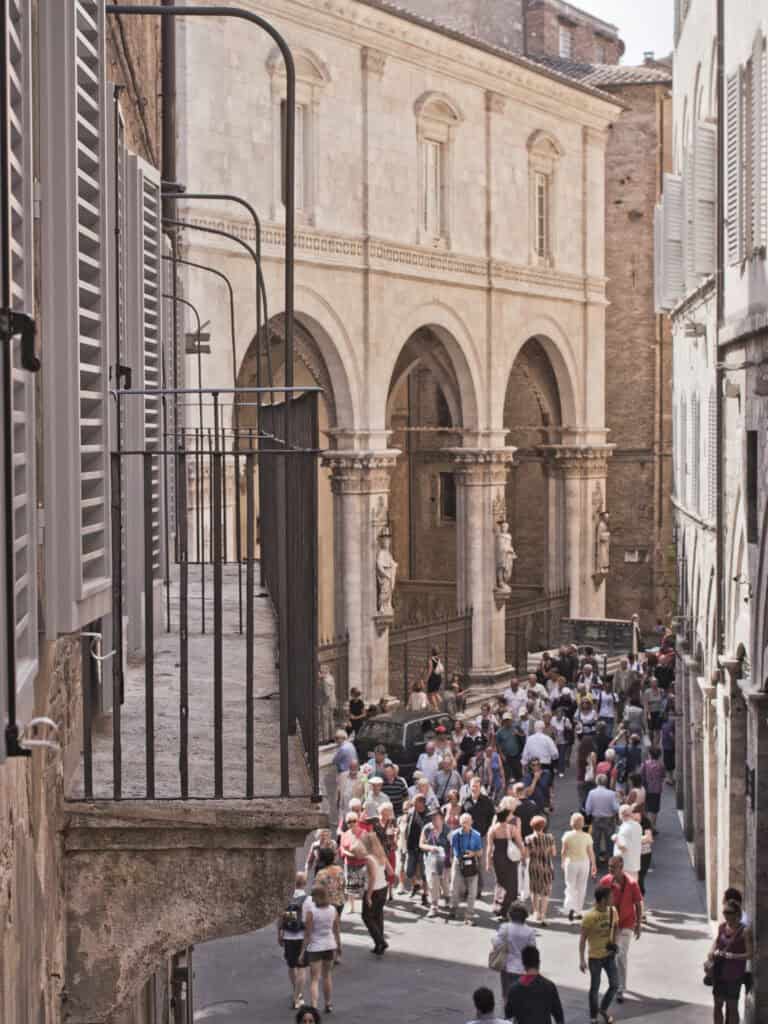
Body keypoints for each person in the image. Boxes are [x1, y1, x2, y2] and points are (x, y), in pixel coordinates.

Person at [599, 856, 642, 1004]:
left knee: (621, 954)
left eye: (613, 867)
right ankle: (616, 982)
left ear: (621, 867)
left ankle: (620, 988)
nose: (610, 869)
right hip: (611, 923)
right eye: (609, 866)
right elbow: (599, 902)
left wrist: (639, 924)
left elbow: (638, 903)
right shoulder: (605, 881)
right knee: (613, 954)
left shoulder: (632, 883)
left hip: (627, 923)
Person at [706, 900, 753, 1024]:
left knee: (732, 1007)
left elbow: (750, 954)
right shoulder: (722, 926)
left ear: (737, 913)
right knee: (717, 1005)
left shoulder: (744, 931)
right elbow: (716, 942)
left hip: (734, 975)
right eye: (724, 912)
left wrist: (731, 955)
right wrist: (711, 952)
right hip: (719, 972)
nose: (725, 915)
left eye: (728, 912)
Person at [579, 886, 619, 1024]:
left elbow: (616, 927)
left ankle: (602, 1009)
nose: (613, 899)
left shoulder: (613, 911)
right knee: (594, 988)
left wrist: (615, 943)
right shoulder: (590, 917)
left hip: (609, 956)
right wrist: (582, 960)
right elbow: (582, 939)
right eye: (611, 897)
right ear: (603, 900)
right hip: (595, 958)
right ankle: (593, 1016)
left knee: (615, 984)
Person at [300, 885, 341, 1015]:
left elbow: (307, 934)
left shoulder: (312, 912)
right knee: (327, 976)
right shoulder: (333, 910)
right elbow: (336, 929)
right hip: (330, 945)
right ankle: (328, 1003)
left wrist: (302, 952)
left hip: (315, 947)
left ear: (316, 897)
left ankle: (314, 1006)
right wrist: (339, 946)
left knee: (314, 979)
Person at [504, 945, 565, 1024]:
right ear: (538, 963)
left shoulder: (514, 988)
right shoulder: (550, 986)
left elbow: (508, 1013)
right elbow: (559, 1018)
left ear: (523, 963)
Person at [491, 903, 538, 1004]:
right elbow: (532, 950)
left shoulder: (505, 927)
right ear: (525, 916)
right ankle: (517, 1015)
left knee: (506, 994)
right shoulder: (530, 931)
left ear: (510, 914)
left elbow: (497, 943)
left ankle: (508, 1014)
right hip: (523, 969)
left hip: (507, 966)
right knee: (521, 995)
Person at [486, 807, 525, 918]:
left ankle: (499, 906)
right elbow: (520, 844)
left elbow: (489, 848)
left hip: (498, 858)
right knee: (512, 883)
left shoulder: (493, 829)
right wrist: (522, 856)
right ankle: (509, 910)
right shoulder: (512, 828)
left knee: (500, 882)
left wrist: (488, 863)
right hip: (511, 859)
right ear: (506, 817)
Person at [358, 831, 392, 954]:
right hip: (383, 888)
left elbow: (372, 878)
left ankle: (381, 941)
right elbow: (391, 872)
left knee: (366, 917)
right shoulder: (382, 855)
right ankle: (379, 946)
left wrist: (368, 896)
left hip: (374, 890)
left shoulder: (369, 858)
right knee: (378, 916)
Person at [278, 871, 308, 1009]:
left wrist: (280, 933)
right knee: (302, 968)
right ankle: (298, 996)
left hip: (289, 936)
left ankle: (296, 992)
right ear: (305, 883)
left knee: (291, 966)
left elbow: (281, 917)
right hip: (303, 937)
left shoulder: (286, 897)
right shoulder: (308, 900)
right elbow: (310, 920)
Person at [562, 812, 597, 922]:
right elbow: (591, 852)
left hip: (571, 862)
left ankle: (569, 906)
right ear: (583, 824)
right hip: (584, 862)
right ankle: (578, 910)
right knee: (581, 886)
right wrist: (594, 864)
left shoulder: (567, 835)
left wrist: (563, 862)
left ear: (571, 823)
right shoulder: (587, 836)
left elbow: (564, 851)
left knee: (570, 885)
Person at [450, 812, 483, 924]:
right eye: (463, 822)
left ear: (471, 822)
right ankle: (453, 908)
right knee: (455, 886)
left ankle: (469, 914)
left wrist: (473, 853)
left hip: (472, 863)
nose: (465, 825)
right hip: (458, 862)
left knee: (472, 890)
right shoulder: (455, 834)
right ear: (460, 823)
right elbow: (452, 849)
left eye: (468, 822)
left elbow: (480, 852)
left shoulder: (476, 835)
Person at [420, 809, 452, 917]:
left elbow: (453, 845)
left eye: (435, 817)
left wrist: (451, 857)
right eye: (432, 817)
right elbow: (421, 844)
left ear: (442, 818)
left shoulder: (447, 830)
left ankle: (447, 897)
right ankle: (434, 906)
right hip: (431, 860)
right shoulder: (427, 828)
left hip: (445, 861)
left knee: (444, 883)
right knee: (433, 883)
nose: (433, 820)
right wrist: (431, 847)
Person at [525, 816, 556, 925]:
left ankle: (536, 912)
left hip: (534, 866)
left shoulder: (529, 839)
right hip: (547, 866)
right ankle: (543, 914)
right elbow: (554, 853)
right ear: (544, 826)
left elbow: (527, 855)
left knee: (534, 890)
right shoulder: (550, 837)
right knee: (545, 892)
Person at [585, 775, 619, 865]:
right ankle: (610, 860)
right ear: (606, 782)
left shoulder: (592, 793)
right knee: (610, 842)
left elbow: (588, 808)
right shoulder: (611, 794)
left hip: (596, 819)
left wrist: (589, 814)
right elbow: (616, 808)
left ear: (597, 782)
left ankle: (595, 861)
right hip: (609, 820)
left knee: (595, 841)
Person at [612, 804, 643, 881]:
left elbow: (623, 848)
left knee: (623, 889)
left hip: (625, 865)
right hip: (635, 863)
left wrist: (615, 839)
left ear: (621, 815)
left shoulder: (624, 829)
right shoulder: (638, 826)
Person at [314, 847, 345, 920]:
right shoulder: (339, 869)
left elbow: (317, 891)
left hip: (327, 904)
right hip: (339, 902)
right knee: (335, 925)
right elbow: (343, 885)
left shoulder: (321, 873)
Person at [640, 747, 666, 831]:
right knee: (654, 809)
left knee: (646, 808)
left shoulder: (645, 764)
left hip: (646, 788)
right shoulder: (661, 765)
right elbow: (663, 776)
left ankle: (646, 826)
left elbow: (641, 775)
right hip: (656, 789)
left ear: (650, 755)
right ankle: (653, 827)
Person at [551, 706, 573, 777]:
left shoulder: (566, 720)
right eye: (557, 714)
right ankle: (555, 768)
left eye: (560, 714)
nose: (558, 716)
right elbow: (551, 728)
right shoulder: (553, 719)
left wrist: (567, 726)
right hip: (555, 740)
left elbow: (570, 728)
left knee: (562, 756)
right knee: (555, 755)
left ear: (562, 714)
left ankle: (561, 771)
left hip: (563, 741)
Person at [661, 714, 676, 785]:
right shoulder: (668, 726)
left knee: (668, 764)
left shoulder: (664, 725)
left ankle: (670, 778)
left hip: (666, 746)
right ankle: (670, 779)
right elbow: (671, 735)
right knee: (670, 764)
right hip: (669, 747)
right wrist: (675, 742)